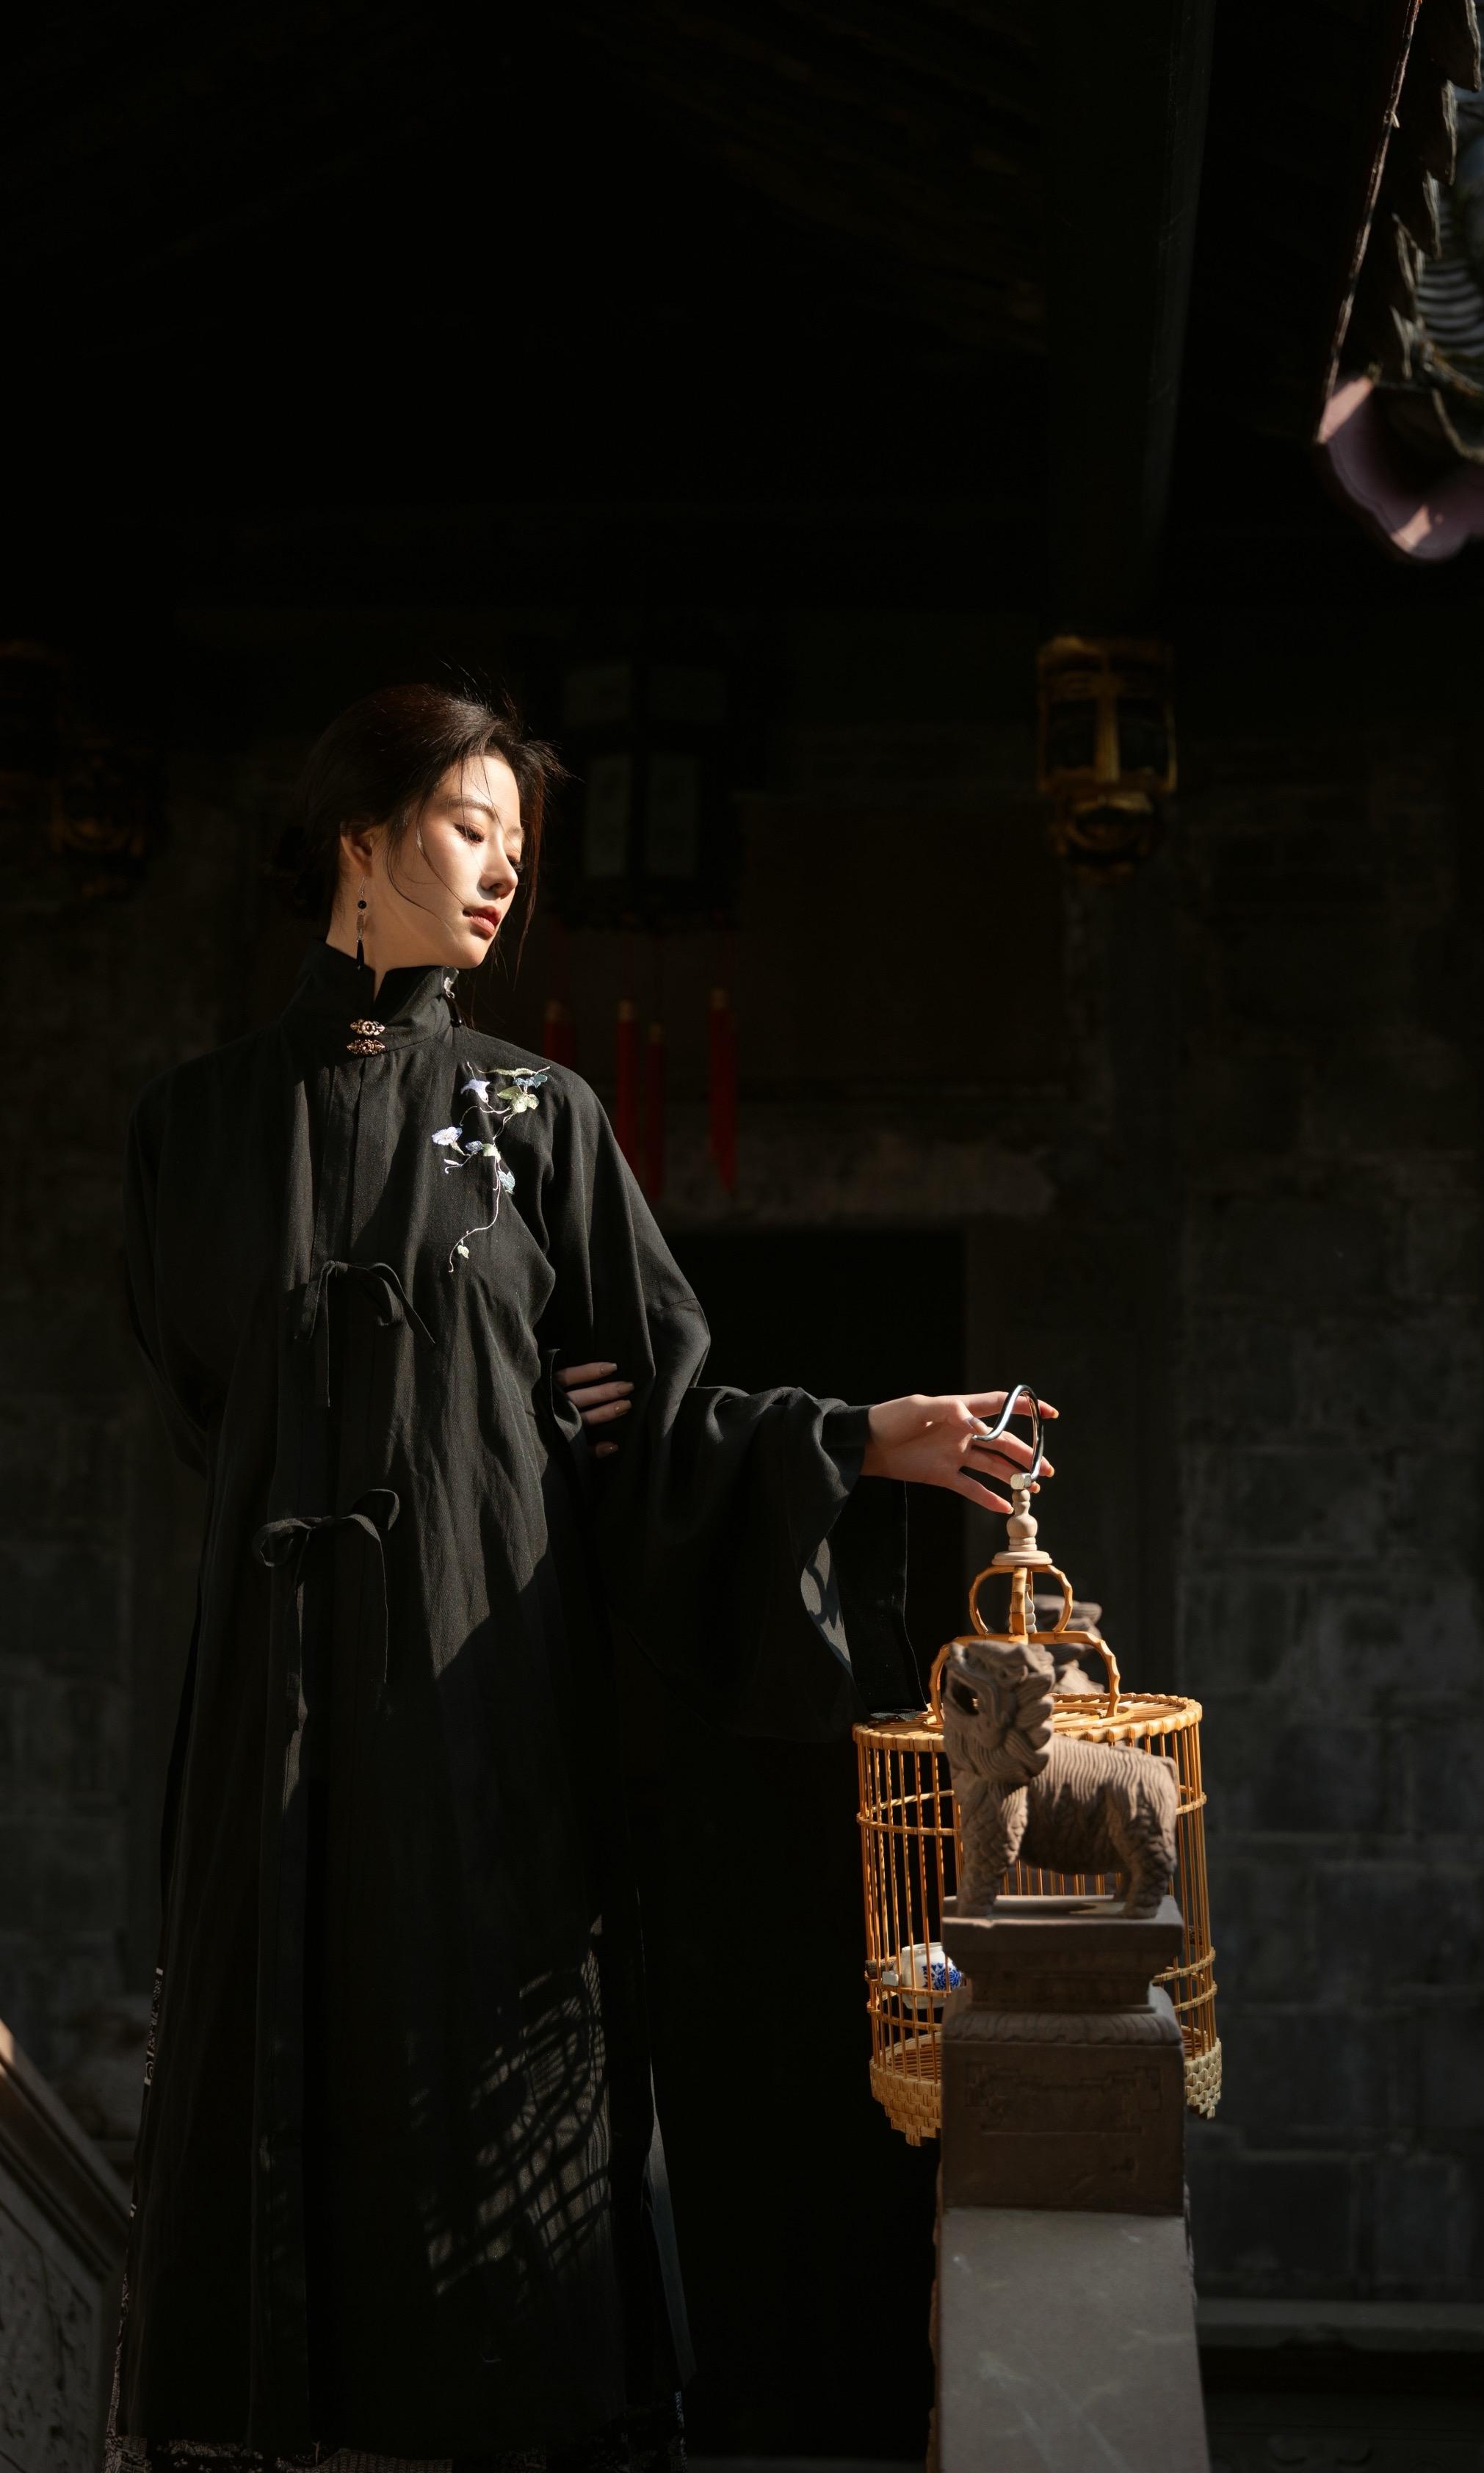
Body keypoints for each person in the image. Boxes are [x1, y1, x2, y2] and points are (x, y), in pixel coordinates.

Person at [112, 682, 1050, 2473]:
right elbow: (210, 1407)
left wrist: (858, 1436)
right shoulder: (192, 1128)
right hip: (270, 1701)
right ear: (361, 836)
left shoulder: (534, 1118)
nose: (503, 876)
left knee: (486, 2075)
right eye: (471, 829)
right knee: (263, 2047)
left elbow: (666, 1407)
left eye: (518, 849)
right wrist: (459, 1405)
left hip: (485, 1695)